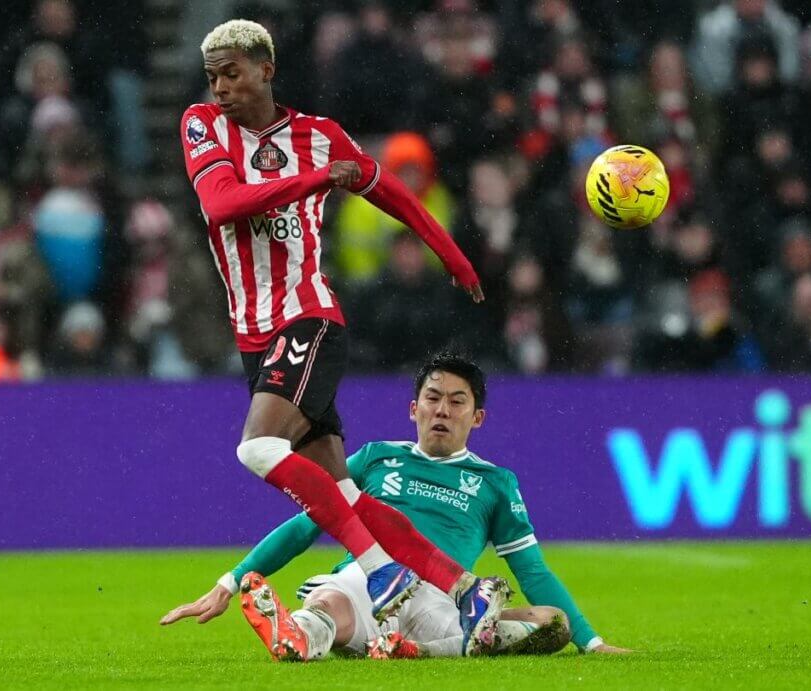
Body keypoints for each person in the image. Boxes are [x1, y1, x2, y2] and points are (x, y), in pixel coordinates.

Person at [162, 20, 503, 654]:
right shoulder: (202, 125)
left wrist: (451, 255)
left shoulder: (319, 136)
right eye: (213, 77)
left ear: (266, 69)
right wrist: (321, 180)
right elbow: (222, 205)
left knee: (258, 448)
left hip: (308, 316)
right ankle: (464, 591)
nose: (221, 88)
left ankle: (381, 575)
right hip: (254, 335)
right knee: (342, 494)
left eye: (232, 73)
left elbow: (392, 191)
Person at [162, 352, 630, 660]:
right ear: (413, 409)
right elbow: (307, 525)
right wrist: (231, 581)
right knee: (330, 602)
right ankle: (301, 636)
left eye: (456, 402)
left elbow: (533, 572)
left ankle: (412, 646)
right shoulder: (374, 458)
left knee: (553, 623)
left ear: (477, 416)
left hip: (445, 600)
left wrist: (592, 641)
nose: (442, 410)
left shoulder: (495, 483)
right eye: (433, 398)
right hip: (370, 578)